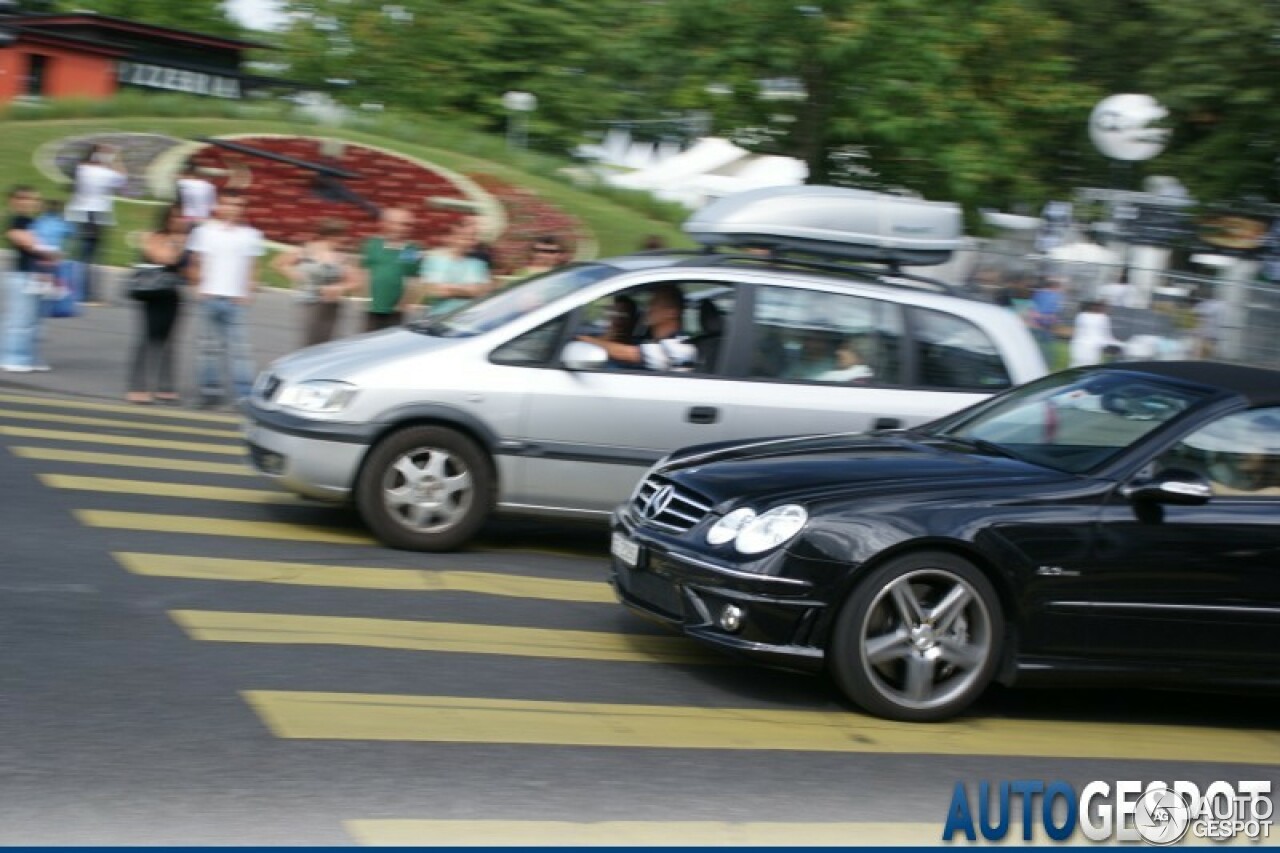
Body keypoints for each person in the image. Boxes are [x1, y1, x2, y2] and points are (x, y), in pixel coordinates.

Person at [187, 191, 264, 408]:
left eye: (238, 204)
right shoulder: (204, 232)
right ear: (219, 206)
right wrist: (197, 287)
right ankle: (210, 391)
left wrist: (249, 291)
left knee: (241, 351)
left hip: (236, 301)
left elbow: (253, 265)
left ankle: (245, 394)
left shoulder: (251, 235)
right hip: (209, 296)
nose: (233, 208)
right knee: (208, 349)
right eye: (229, 204)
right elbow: (195, 261)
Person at [127, 204, 190, 405]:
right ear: (166, 218)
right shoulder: (155, 236)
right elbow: (164, 257)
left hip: (172, 294)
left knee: (169, 340)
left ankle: (165, 387)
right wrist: (178, 243)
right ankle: (138, 387)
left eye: (181, 218)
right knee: (147, 338)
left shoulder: (185, 239)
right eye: (174, 217)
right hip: (153, 293)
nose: (178, 221)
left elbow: (190, 270)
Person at [273, 218, 359, 347]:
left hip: (331, 306)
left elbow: (356, 281)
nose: (344, 239)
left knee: (326, 345)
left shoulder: (341, 257)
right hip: (309, 304)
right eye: (342, 236)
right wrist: (297, 276)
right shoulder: (307, 251)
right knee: (310, 344)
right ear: (332, 236)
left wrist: (340, 287)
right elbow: (279, 263)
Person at [577, 284, 697, 371]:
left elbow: (628, 354)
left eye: (654, 303)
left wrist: (584, 339)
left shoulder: (680, 346)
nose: (648, 308)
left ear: (672, 312)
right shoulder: (649, 340)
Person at [66, 143, 126, 305]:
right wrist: (117, 160)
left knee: (80, 254)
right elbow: (122, 180)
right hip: (97, 216)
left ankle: (75, 290)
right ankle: (87, 294)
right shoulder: (104, 173)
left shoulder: (81, 169)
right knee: (92, 256)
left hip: (79, 213)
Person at [3, 186, 55, 373]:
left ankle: (30, 356)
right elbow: (26, 242)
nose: (29, 202)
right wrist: (48, 249)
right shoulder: (16, 220)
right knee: (20, 319)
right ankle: (11, 357)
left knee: (36, 321)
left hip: (38, 274)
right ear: (14, 201)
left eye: (33, 198)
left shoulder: (36, 222)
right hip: (23, 274)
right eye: (24, 198)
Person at [359, 207, 421, 332]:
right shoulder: (372, 244)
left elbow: (413, 280)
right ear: (387, 224)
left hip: (396, 310)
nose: (406, 228)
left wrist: (404, 303)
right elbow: (364, 272)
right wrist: (365, 298)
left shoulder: (410, 249)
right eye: (402, 224)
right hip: (371, 308)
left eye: (408, 225)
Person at [420, 215, 492, 316]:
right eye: (466, 238)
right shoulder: (434, 260)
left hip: (469, 318)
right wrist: (467, 289)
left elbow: (481, 293)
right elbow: (435, 291)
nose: (471, 243)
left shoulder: (478, 264)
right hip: (439, 317)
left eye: (473, 238)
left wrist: (450, 288)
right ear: (453, 237)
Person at [1069, 301, 1122, 367]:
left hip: (1077, 347)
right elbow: (1106, 337)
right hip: (1092, 351)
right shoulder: (1103, 318)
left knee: (1075, 367)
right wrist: (1118, 344)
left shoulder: (1080, 316)